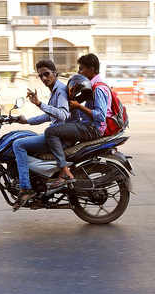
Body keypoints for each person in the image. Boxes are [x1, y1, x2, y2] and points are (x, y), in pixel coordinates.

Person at [44, 53, 111, 188]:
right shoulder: (90, 86)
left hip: (93, 129)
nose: (79, 72)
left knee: (50, 132)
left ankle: (64, 172)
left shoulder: (98, 88)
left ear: (91, 69)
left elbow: (100, 116)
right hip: (88, 126)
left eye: (81, 69)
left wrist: (79, 106)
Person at [12, 60, 69, 209]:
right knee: (24, 138)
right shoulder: (55, 90)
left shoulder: (60, 90)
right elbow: (50, 116)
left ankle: (25, 188)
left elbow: (62, 115)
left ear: (55, 73)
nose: (44, 78)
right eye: (41, 75)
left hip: (59, 138)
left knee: (18, 144)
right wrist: (27, 121)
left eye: (47, 74)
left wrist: (39, 104)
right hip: (57, 135)